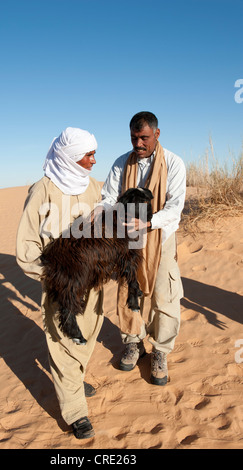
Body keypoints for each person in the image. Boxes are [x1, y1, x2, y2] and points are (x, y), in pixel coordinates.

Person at [16, 127, 103, 439]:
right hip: (62, 285)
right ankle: (75, 410)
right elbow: (26, 248)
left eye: (94, 154)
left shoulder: (94, 187)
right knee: (63, 341)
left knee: (88, 335)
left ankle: (73, 381)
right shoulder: (43, 190)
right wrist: (54, 278)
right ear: (69, 157)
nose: (94, 160)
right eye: (88, 155)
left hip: (93, 281)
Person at [99, 111, 186, 385]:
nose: (138, 144)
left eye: (144, 138)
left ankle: (160, 351)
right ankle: (133, 343)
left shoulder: (173, 163)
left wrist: (148, 222)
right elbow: (107, 199)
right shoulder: (120, 164)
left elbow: (175, 207)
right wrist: (117, 218)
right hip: (127, 241)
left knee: (165, 295)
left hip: (160, 237)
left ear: (157, 135)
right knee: (128, 292)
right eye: (134, 138)